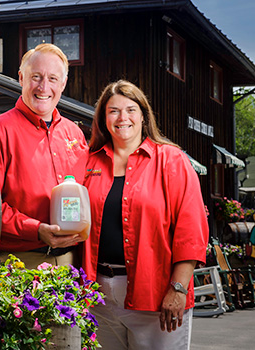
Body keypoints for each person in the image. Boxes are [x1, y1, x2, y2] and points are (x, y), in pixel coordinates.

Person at [82, 80, 209, 349]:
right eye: (113, 111)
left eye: (130, 109)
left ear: (143, 115)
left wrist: (178, 289)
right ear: (104, 119)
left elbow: (192, 231)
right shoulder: (89, 162)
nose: (122, 118)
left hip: (155, 292)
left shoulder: (171, 160)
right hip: (98, 295)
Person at [0, 43, 88, 269]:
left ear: (63, 83)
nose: (44, 86)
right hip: (19, 262)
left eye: (53, 79)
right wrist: (35, 228)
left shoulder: (74, 134)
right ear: (21, 78)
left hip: (71, 262)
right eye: (36, 76)